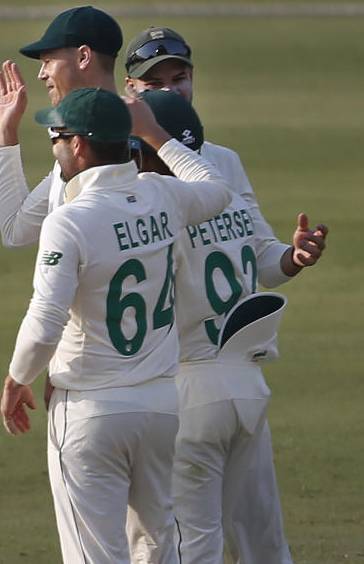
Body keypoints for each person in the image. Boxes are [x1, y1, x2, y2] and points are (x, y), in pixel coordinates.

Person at [0, 87, 233, 563]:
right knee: (157, 546)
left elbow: (45, 323)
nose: (56, 149)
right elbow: (217, 187)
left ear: (79, 145)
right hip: (161, 407)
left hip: (91, 409)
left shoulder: (70, 220)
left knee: (95, 555)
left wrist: (17, 378)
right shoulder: (162, 194)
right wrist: (157, 133)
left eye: (56, 138)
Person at [125, 31, 329, 563]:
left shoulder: (163, 179)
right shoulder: (152, 173)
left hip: (209, 381)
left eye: (180, 78)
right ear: (131, 92)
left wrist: (293, 256)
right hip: (224, 381)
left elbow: (263, 257)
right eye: (156, 83)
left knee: (215, 541)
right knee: (255, 539)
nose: (173, 90)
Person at [0, 5, 122, 249]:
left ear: (83, 57)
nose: (41, 74)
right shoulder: (74, 140)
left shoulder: (136, 142)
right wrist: (5, 133)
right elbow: (15, 232)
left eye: (48, 61)